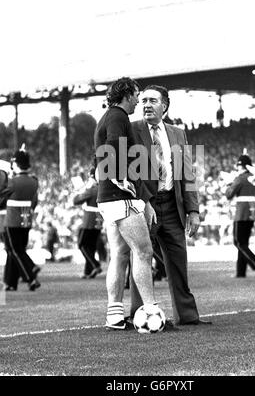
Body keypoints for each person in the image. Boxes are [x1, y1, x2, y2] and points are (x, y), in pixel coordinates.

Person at [130, 84, 211, 326]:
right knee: (142, 258)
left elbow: (187, 173)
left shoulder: (177, 133)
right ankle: (139, 314)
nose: (146, 105)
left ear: (164, 105)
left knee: (178, 261)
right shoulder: (132, 130)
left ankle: (187, 316)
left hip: (172, 206)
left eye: (152, 100)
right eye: (143, 100)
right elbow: (129, 170)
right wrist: (144, 201)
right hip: (145, 206)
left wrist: (194, 211)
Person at [94, 76, 160, 330]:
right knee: (143, 252)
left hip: (108, 198)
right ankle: (151, 309)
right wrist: (122, 179)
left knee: (119, 254)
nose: (138, 100)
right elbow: (113, 145)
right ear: (127, 94)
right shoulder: (118, 117)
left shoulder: (109, 115)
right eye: (136, 94)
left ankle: (114, 314)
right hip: (121, 198)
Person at [0, 144, 40, 291]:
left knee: (13, 249)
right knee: (16, 250)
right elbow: (35, 202)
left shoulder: (13, 181)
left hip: (12, 220)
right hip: (26, 219)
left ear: (15, 164)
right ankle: (11, 282)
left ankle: (31, 269)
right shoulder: (34, 181)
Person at [225, 149, 255, 278]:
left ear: (240, 166)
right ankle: (241, 272)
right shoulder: (254, 177)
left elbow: (229, 195)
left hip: (241, 213)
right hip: (252, 212)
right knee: (243, 243)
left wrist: (229, 183)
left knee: (238, 242)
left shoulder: (240, 178)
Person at [73, 168, 103, 279]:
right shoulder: (102, 189)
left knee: (82, 244)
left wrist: (80, 189)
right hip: (98, 221)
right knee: (91, 246)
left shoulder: (92, 190)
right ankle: (87, 271)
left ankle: (95, 265)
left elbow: (76, 200)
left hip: (89, 220)